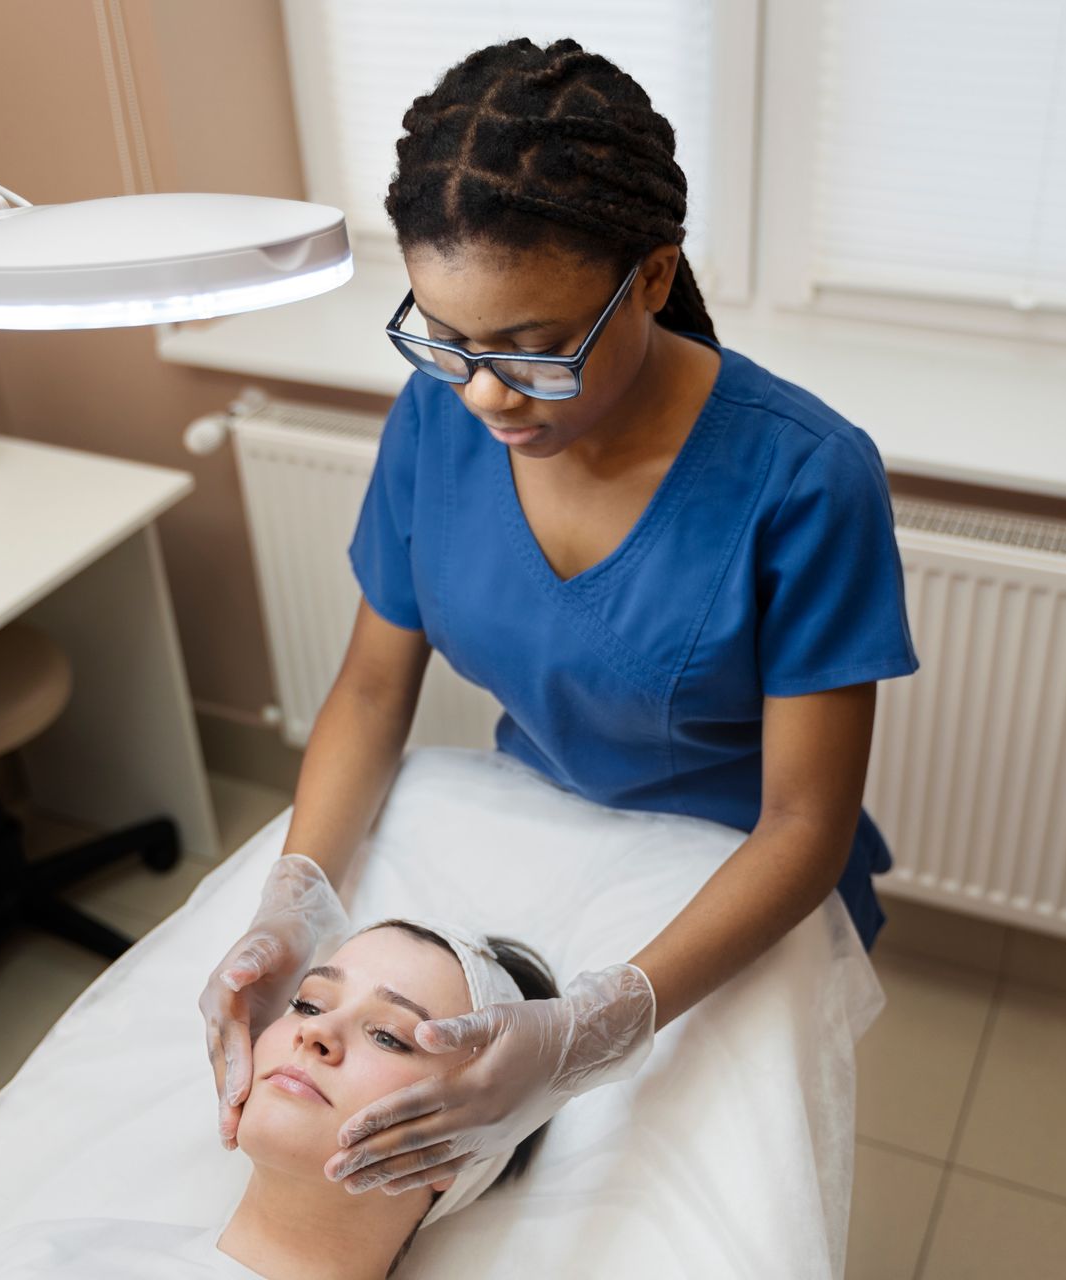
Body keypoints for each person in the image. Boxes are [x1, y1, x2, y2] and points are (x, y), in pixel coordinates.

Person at [200, 36, 919, 1199]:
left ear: (648, 276)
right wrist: (298, 900)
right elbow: (376, 686)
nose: (484, 393)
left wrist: (595, 1027)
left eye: (534, 351)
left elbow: (805, 822)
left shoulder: (804, 478)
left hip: (731, 877)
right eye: (449, 341)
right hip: (529, 831)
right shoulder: (439, 422)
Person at [0, 904, 559, 1280]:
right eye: (308, 1003)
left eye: (391, 1036)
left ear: (458, 1152)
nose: (316, 1032)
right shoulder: (87, 1246)